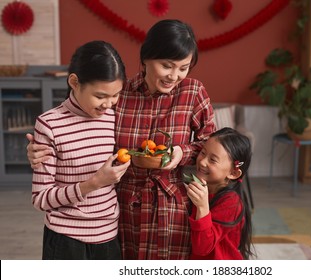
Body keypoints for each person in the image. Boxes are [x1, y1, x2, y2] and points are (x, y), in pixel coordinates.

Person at [26, 19, 216, 259]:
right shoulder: (119, 94)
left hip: (171, 209)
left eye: (184, 67)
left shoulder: (193, 93)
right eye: (167, 66)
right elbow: (78, 122)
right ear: (146, 58)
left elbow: (212, 145)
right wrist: (40, 149)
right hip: (124, 209)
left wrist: (182, 152)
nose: (174, 76)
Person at [29, 40, 130, 260]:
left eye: (115, 95)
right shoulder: (49, 124)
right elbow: (40, 199)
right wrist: (93, 183)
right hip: (66, 240)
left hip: (109, 237)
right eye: (100, 96)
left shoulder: (115, 117)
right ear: (74, 82)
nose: (108, 104)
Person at [185, 127, 254, 260]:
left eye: (213, 160)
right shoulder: (204, 187)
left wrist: (202, 207)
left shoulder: (231, 203)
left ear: (233, 173)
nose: (202, 161)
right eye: (203, 153)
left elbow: (203, 247)